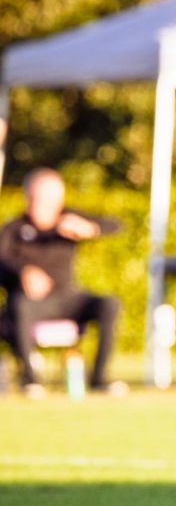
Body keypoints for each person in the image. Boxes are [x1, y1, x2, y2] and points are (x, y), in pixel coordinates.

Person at [0, 169, 122, 398]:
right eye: (41, 199)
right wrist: (22, 273)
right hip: (32, 304)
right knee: (19, 306)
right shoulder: (14, 229)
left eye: (53, 199)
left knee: (108, 304)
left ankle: (99, 378)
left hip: (68, 298)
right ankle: (30, 380)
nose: (47, 205)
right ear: (28, 197)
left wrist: (90, 229)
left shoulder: (68, 219)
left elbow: (115, 225)